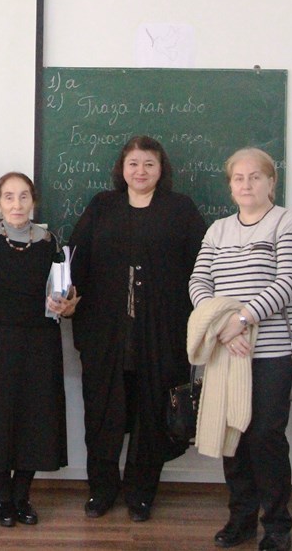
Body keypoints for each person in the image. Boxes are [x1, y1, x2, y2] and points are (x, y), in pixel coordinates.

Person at [64, 135, 206, 521]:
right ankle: (102, 490)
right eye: (133, 163)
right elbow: (75, 259)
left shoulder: (180, 209)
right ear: (121, 169)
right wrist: (67, 296)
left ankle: (141, 493)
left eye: (149, 164)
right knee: (102, 414)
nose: (140, 171)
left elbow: (202, 266)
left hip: (162, 334)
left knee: (152, 415)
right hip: (105, 334)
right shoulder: (102, 206)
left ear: (162, 169)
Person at [188, 147, 292, 551]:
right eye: (238, 178)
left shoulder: (287, 222)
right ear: (230, 186)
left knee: (265, 437)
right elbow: (198, 282)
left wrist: (242, 319)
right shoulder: (218, 230)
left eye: (255, 177)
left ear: (271, 182)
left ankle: (276, 525)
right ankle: (240, 519)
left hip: (272, 353)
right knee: (234, 436)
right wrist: (222, 327)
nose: (246, 184)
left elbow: (290, 280)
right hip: (228, 352)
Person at [0, 172, 71, 527]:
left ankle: (22, 495)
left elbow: (62, 290)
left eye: (24, 196)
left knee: (35, 419)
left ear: (33, 201)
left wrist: (63, 302)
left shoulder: (49, 241)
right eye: (9, 197)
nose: (17, 204)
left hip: (41, 343)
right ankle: (1, 497)